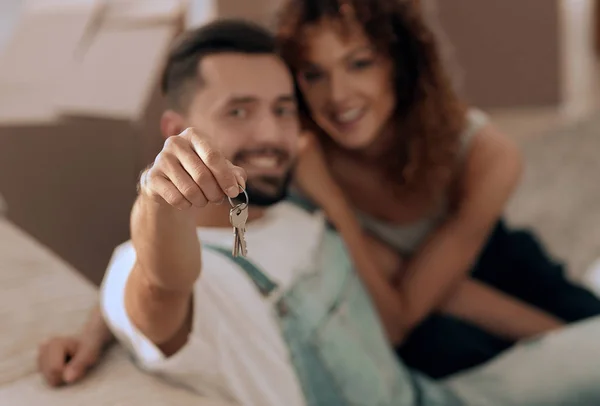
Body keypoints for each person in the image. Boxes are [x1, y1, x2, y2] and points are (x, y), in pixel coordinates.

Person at [37, 19, 600, 406]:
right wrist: (155, 201)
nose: (269, 134)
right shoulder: (172, 266)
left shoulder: (286, 203)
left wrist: (549, 341)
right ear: (176, 131)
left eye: (283, 110)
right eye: (238, 110)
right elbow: (159, 285)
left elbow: (420, 292)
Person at [277, 0, 600, 378]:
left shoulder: (486, 152)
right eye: (314, 74)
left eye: (359, 64)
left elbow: (443, 292)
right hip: (420, 323)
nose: (337, 95)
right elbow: (399, 321)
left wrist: (568, 341)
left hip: (505, 268)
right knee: (446, 351)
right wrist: (332, 200)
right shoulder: (307, 173)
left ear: (400, 62)